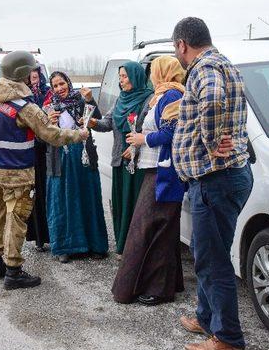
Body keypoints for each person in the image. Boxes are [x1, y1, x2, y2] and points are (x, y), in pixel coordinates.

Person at [171, 17, 253, 350]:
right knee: (208, 252)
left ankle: (228, 338)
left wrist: (210, 140)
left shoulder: (204, 68)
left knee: (212, 261)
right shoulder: (224, 63)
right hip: (226, 178)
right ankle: (206, 318)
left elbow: (215, 101)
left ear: (182, 45)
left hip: (214, 180)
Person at [0, 51, 88, 290]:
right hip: (16, 173)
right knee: (16, 220)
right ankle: (13, 271)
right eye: (29, 71)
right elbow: (52, 134)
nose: (32, 75)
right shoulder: (24, 106)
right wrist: (78, 135)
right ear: (21, 74)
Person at [111, 55, 186, 305]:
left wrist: (145, 140)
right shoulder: (161, 95)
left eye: (155, 70)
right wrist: (138, 142)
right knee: (160, 228)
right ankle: (162, 285)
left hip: (164, 171)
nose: (152, 75)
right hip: (154, 167)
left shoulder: (172, 95)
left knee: (151, 228)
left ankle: (158, 288)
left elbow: (174, 132)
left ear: (164, 73)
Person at [43, 71, 108, 263]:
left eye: (62, 84)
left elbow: (97, 119)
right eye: (55, 86)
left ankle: (94, 245)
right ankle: (64, 247)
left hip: (83, 156)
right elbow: (42, 137)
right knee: (62, 200)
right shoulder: (47, 109)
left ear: (68, 84)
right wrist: (50, 124)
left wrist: (90, 99)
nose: (59, 88)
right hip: (59, 159)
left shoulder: (81, 102)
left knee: (87, 196)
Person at [89, 61, 153, 256]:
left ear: (135, 77)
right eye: (120, 77)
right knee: (120, 206)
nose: (121, 81)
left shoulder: (148, 100)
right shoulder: (120, 100)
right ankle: (123, 246)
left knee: (135, 206)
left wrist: (135, 146)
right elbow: (108, 122)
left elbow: (149, 130)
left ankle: (136, 250)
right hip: (119, 159)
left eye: (125, 77)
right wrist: (93, 122)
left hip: (138, 162)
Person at [25, 66, 52, 251]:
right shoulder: (24, 96)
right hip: (31, 150)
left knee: (50, 191)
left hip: (48, 149)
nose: (33, 77)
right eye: (30, 75)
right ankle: (39, 237)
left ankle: (53, 234)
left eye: (36, 74)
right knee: (34, 193)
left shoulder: (49, 93)